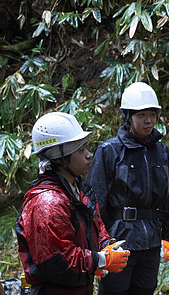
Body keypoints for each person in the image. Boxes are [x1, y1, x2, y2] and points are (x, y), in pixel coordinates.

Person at [16, 112, 130, 295]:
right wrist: (99, 260)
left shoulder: (79, 189)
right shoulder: (48, 203)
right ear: (59, 156)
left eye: (85, 148)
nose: (88, 155)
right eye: (80, 150)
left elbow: (95, 226)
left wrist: (106, 245)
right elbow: (56, 260)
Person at [87, 82, 169, 295]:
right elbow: (94, 201)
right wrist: (99, 247)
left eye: (152, 114)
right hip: (118, 243)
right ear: (128, 117)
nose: (149, 121)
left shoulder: (162, 151)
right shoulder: (109, 151)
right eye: (141, 115)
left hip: (152, 243)